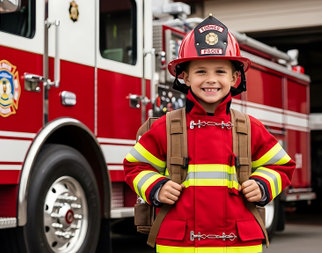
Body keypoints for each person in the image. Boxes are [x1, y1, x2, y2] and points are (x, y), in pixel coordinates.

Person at [123, 15, 295, 253]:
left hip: (238, 245)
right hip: (180, 245)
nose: (211, 80)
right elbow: (135, 166)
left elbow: (282, 167)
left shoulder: (251, 128)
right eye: (201, 71)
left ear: (235, 78)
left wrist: (263, 185)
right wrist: (157, 187)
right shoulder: (164, 128)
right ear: (185, 76)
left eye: (221, 72)